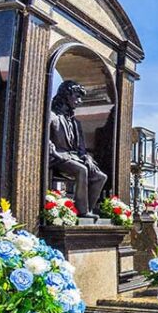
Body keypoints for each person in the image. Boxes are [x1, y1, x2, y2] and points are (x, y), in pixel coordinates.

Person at [48, 80, 107, 218]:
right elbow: (45, 139)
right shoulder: (52, 115)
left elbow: (81, 148)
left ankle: (86, 210)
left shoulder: (75, 122)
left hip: (73, 157)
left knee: (101, 176)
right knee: (82, 170)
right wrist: (56, 153)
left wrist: (86, 157)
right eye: (77, 97)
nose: (79, 101)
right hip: (56, 157)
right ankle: (82, 211)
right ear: (66, 96)